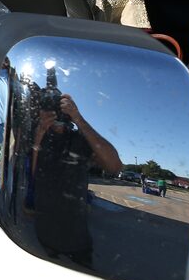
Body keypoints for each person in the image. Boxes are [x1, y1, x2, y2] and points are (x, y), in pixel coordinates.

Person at [30, 90, 122, 265]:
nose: (56, 112)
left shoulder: (80, 139)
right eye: (51, 106)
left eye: (60, 106)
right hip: (41, 237)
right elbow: (31, 176)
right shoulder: (36, 135)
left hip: (77, 241)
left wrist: (78, 119)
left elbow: (114, 166)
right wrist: (39, 134)